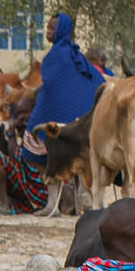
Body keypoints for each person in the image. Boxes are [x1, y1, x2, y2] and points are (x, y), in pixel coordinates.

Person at [30, 11, 106, 204]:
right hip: (81, 124)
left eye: (52, 28)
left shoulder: (57, 55)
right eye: (47, 27)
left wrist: (38, 108)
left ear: (61, 30)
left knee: (33, 135)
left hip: (66, 122)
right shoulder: (74, 54)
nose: (47, 31)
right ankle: (71, 199)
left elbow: (53, 87)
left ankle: (60, 199)